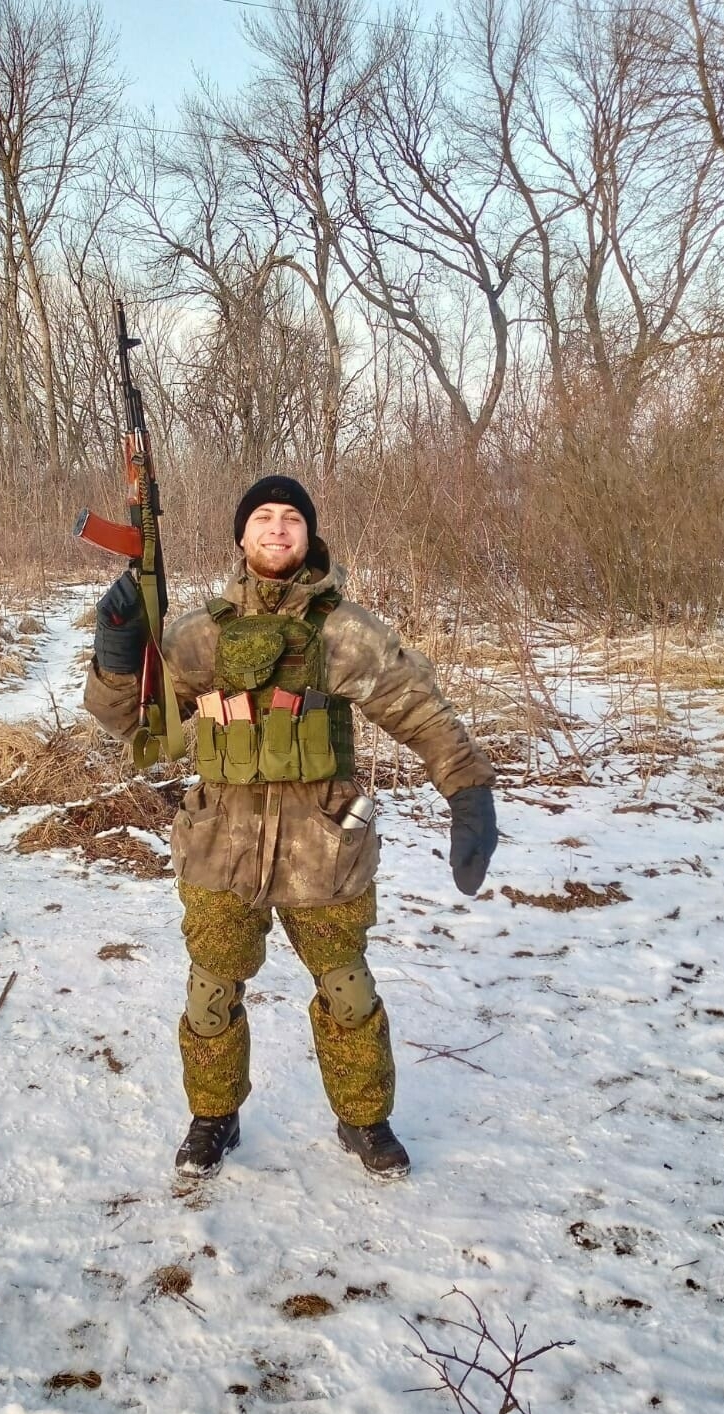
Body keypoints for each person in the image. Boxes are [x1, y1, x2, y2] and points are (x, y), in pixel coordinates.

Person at [84, 474, 497, 1179]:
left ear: (309, 535)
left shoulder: (345, 630)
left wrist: (467, 791)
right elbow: (132, 726)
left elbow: (417, 707)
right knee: (211, 992)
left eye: (292, 520)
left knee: (347, 991)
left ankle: (364, 1122)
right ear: (242, 537)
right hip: (221, 849)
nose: (277, 529)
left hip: (325, 849)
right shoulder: (197, 634)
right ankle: (214, 1116)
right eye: (263, 519)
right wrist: (119, 651)